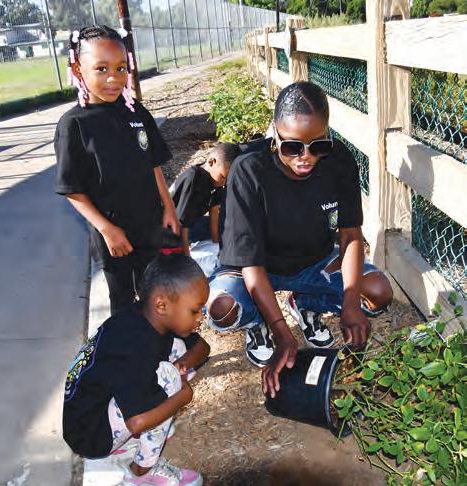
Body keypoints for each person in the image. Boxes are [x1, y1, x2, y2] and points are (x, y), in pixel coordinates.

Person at [205, 81, 393, 398]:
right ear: (274, 135)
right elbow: (250, 263)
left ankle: (304, 304)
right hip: (257, 268)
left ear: (327, 134)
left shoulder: (339, 161)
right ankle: (258, 322)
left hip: (313, 262)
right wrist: (282, 333)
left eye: (318, 145)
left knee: (377, 293)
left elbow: (350, 235)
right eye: (292, 147)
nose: (305, 157)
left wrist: (350, 303)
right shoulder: (249, 170)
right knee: (222, 309)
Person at [54, 25, 179, 315]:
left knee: (155, 291)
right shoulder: (74, 125)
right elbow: (73, 190)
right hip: (113, 235)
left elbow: (153, 164)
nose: (113, 78)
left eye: (121, 68)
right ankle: (126, 342)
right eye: (101, 69)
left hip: (149, 225)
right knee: (123, 301)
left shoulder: (136, 112)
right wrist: (107, 230)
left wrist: (169, 208)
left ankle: (159, 339)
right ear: (78, 69)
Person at [62, 254, 209, 486]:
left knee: (177, 353)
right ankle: (142, 472)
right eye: (195, 311)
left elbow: (202, 348)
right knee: (170, 382)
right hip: (91, 436)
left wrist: (182, 363)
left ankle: (146, 429)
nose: (201, 318)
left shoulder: (148, 315)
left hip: (92, 408)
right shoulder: (136, 348)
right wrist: (181, 397)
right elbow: (137, 422)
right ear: (161, 304)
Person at [169, 142, 241, 254]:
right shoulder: (193, 179)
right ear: (211, 162)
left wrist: (216, 242)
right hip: (171, 228)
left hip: (191, 222)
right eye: (223, 177)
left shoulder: (216, 181)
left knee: (228, 225)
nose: (224, 183)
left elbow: (214, 210)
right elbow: (182, 222)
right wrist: (187, 257)